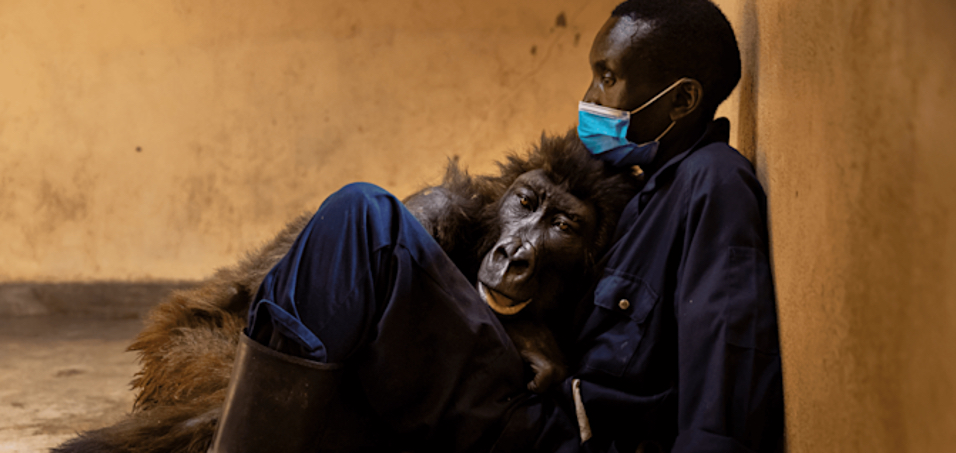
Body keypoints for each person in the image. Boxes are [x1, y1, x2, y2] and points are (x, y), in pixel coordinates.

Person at [209, 0, 784, 452]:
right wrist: (521, 333)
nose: (591, 97)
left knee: (365, 222)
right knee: (373, 235)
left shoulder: (713, 184)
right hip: (532, 401)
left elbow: (726, 375)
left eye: (608, 78)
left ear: (682, 99)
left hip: (559, 436)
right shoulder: (637, 184)